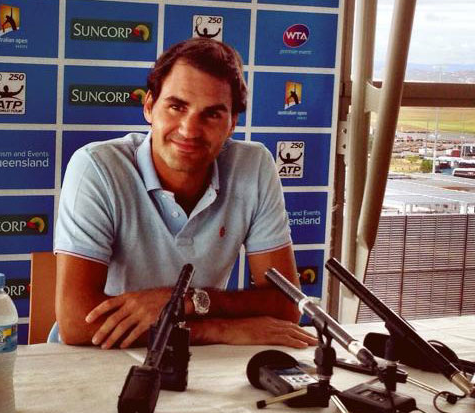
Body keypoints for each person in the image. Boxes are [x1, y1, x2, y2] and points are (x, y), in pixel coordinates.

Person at [53, 38, 316, 350]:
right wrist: (214, 330)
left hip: (196, 363)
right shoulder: (96, 166)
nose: (190, 130)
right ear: (149, 107)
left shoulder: (254, 166)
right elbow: (76, 323)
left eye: (212, 114)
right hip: (99, 356)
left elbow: (286, 304)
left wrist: (185, 302)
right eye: (177, 107)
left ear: (232, 124)